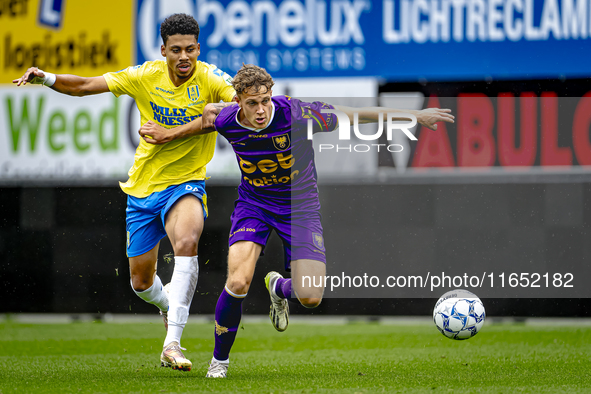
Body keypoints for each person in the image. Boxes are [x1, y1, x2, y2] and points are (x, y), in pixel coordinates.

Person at [139, 64, 454, 378]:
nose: (260, 110)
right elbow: (204, 121)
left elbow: (355, 115)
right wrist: (167, 134)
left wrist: (416, 117)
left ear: (272, 95)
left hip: (299, 208)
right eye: (252, 103)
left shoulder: (299, 114)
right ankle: (219, 362)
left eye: (265, 101)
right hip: (255, 205)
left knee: (311, 296)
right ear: (238, 101)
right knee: (237, 283)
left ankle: (279, 288)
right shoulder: (225, 118)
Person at [13, 13, 236, 372]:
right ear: (163, 49)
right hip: (144, 189)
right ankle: (166, 306)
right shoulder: (145, 75)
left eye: (190, 49)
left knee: (187, 243)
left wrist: (185, 126)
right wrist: (48, 78)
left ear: (198, 48)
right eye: (176, 50)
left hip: (187, 182)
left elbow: (235, 106)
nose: (184, 57)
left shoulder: (211, 78)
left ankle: (172, 344)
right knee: (141, 282)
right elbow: (85, 85)